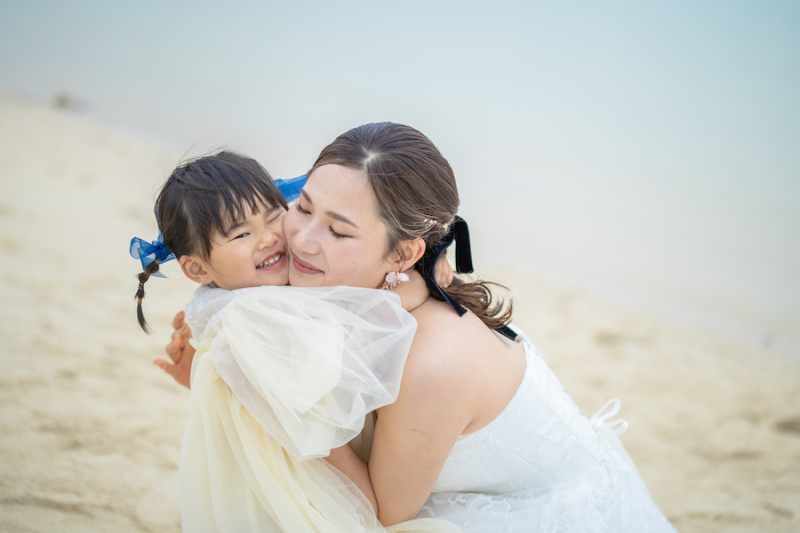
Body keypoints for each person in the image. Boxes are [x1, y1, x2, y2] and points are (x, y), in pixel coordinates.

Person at [162, 123, 676, 532]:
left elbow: (380, 516)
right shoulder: (363, 281)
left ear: (404, 253)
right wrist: (218, 379)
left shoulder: (434, 359)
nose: (300, 239)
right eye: (301, 206)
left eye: (338, 229)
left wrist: (282, 404)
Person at [133, 151, 461, 532]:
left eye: (275, 216)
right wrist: (415, 284)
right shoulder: (256, 318)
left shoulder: (234, 292)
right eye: (242, 233)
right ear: (197, 268)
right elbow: (358, 335)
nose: (270, 237)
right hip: (308, 477)